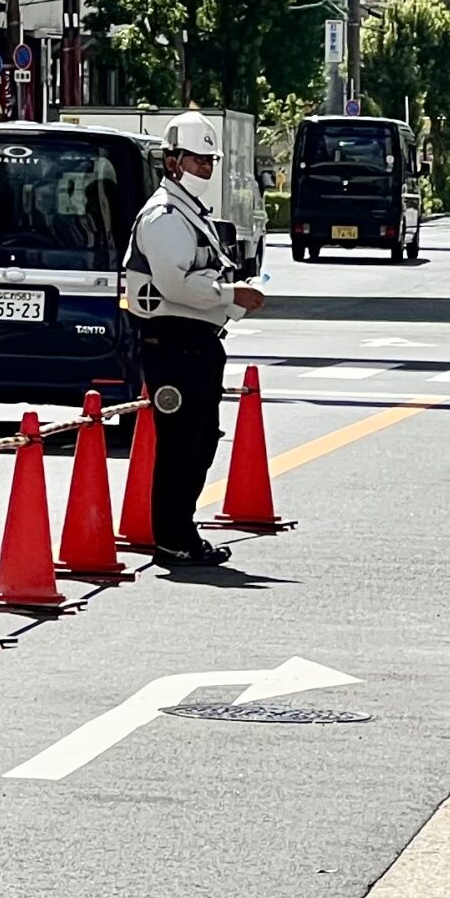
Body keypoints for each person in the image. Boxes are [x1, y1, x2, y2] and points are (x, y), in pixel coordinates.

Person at [127, 111, 268, 568]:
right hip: (173, 342)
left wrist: (228, 294)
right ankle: (173, 537)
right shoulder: (164, 216)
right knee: (181, 444)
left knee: (200, 439)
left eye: (210, 161)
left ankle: (181, 531)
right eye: (197, 159)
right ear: (172, 161)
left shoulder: (188, 212)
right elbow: (176, 284)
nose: (205, 168)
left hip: (196, 341)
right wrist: (230, 294)